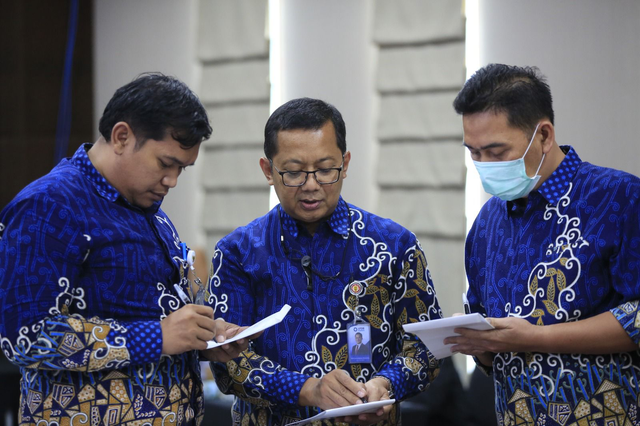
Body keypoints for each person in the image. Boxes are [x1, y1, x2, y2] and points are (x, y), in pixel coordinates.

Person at [0, 73, 251, 425]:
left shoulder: (150, 214)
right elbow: (25, 335)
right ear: (121, 137)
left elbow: (159, 318)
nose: (172, 181)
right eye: (166, 163)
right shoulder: (50, 205)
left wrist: (206, 338)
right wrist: (158, 336)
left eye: (182, 168)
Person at [208, 97, 442, 425]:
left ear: (345, 164)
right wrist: (307, 389)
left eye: (325, 169)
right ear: (268, 170)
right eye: (292, 172)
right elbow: (226, 363)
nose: (311, 185)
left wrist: (384, 385)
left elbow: (426, 348)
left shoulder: (394, 245)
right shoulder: (239, 253)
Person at [447, 63, 640, 425]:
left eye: (497, 151)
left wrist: (535, 337)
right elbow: (493, 349)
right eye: (473, 152)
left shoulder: (618, 198)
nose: (484, 165)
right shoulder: (487, 223)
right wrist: (480, 343)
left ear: (544, 136)